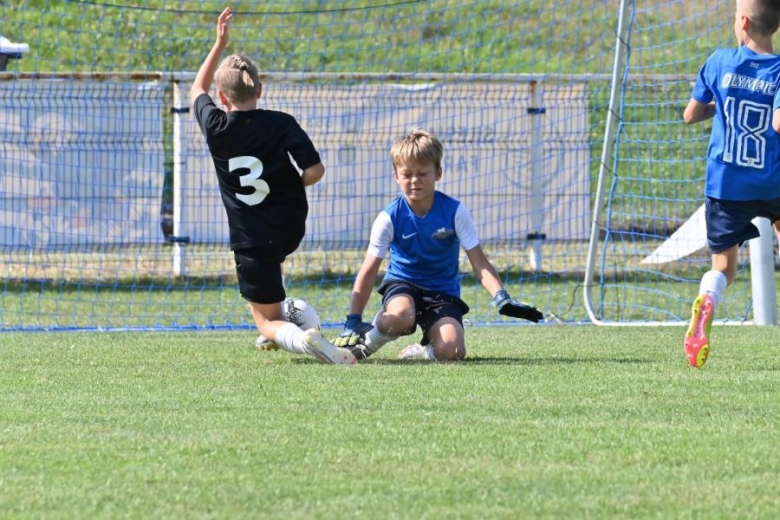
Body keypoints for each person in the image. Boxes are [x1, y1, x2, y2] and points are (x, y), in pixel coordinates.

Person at [190, 7, 356, 365]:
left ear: (222, 97)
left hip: (252, 238)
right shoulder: (282, 123)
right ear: (260, 89)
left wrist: (219, 44)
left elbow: (196, 88)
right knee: (273, 279)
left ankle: (300, 338)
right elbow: (315, 170)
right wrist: (293, 185)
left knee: (266, 321)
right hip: (289, 224)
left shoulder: (216, 127)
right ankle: (286, 326)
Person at [333, 128, 543, 362]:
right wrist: (353, 318)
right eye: (407, 174)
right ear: (396, 175)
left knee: (452, 351)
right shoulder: (389, 217)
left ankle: (423, 351)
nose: (415, 180)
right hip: (403, 285)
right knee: (400, 315)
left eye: (423, 173)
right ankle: (361, 348)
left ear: (438, 173)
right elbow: (368, 271)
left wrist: (501, 297)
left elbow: (480, 263)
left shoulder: (455, 212)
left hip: (443, 293)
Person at [682, 0, 780, 368]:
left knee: (723, 266)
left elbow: (690, 115)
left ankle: (707, 299)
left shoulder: (719, 61)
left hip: (726, 184)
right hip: (772, 181)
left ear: (742, 21)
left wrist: (720, 105)